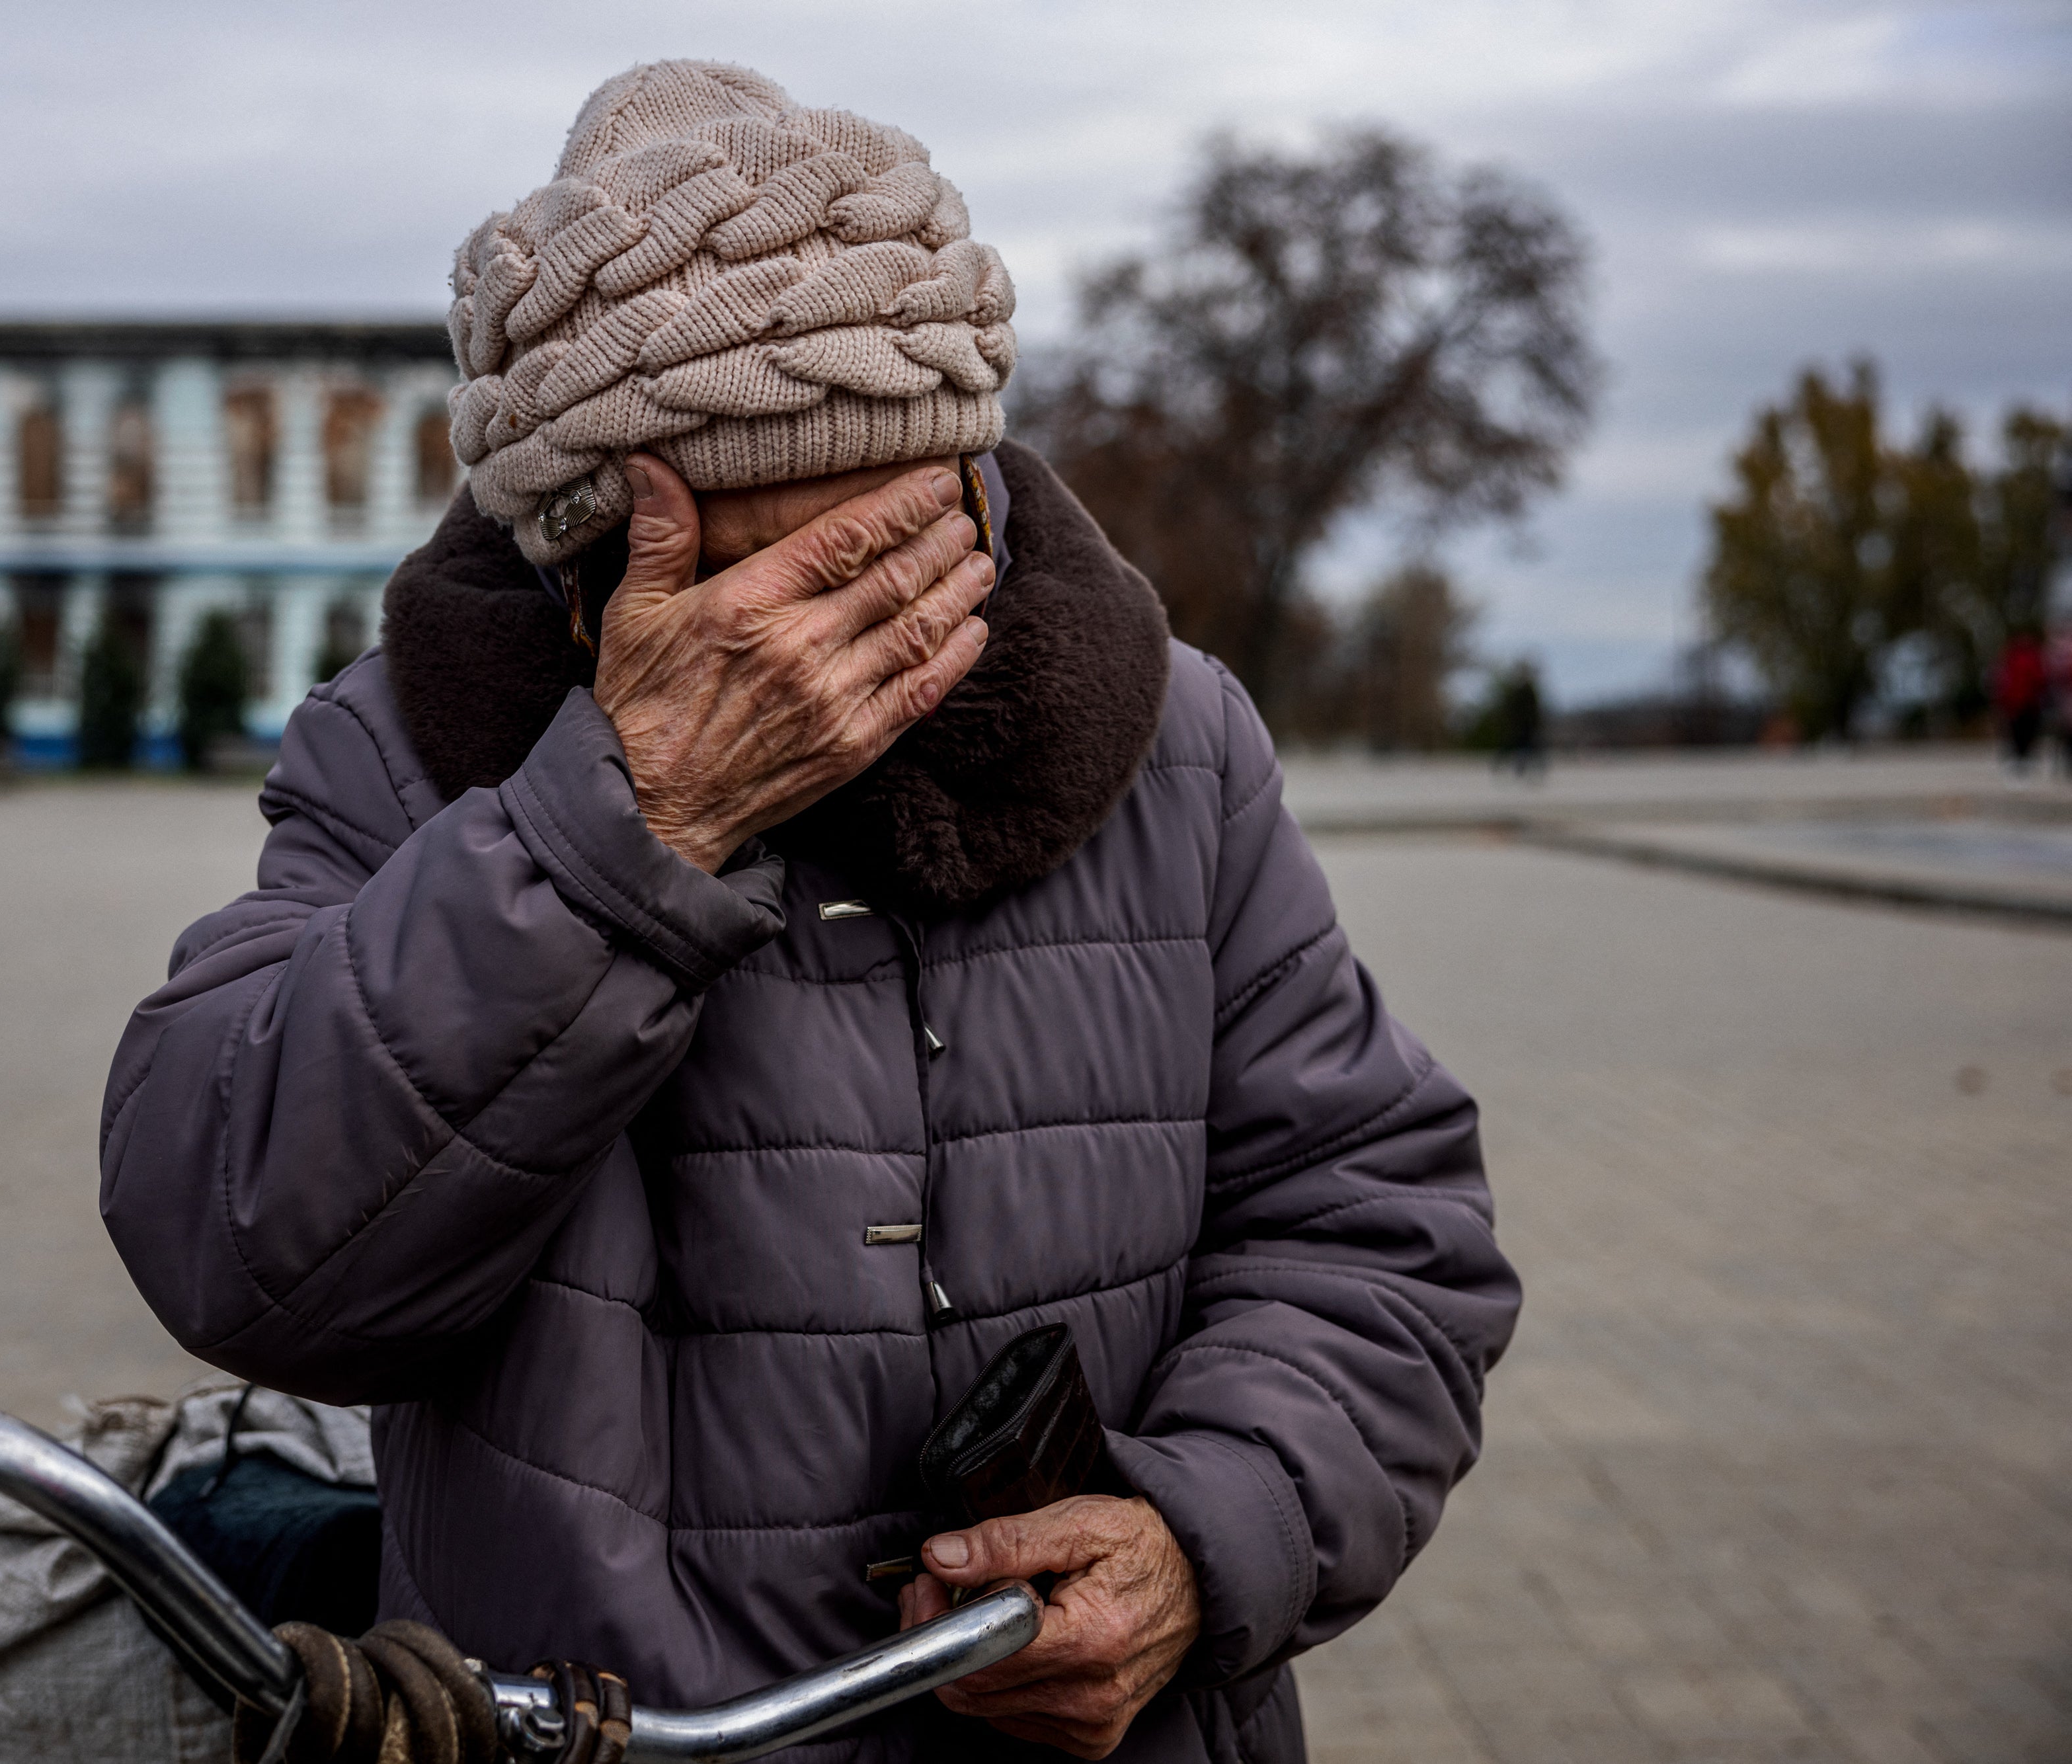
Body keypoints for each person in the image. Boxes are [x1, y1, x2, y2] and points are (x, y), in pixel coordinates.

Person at [102, 61, 1519, 1764]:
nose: (831, 664)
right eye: (751, 589)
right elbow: (244, 1247)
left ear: (967, 476)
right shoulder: (403, 757)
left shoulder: (1175, 741)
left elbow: (1377, 1225)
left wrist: (1199, 1535)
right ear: (585, 579)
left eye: (894, 560)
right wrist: (624, 829)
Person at [1992, 629, 2047, 771]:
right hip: (2019, 702)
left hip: (2024, 702)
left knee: (2023, 731)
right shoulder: (2017, 658)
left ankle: (2022, 757)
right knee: (2020, 731)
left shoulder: (2017, 657)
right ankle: (2021, 757)